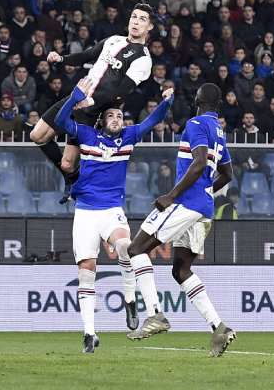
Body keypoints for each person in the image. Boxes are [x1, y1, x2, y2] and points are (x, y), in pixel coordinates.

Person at [56, 77, 173, 353]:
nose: (117, 119)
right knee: (86, 273)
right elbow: (61, 121)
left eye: (120, 116)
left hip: (111, 210)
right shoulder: (87, 135)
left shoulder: (129, 136)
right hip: (85, 212)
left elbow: (151, 121)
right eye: (111, 115)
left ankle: (131, 300)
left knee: (126, 247)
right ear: (101, 120)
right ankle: (89, 333)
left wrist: (167, 102)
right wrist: (75, 96)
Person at [126, 83, 237, 358]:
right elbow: (228, 173)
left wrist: (171, 195)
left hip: (185, 202)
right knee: (180, 270)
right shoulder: (219, 130)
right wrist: (206, 191)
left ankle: (154, 315)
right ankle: (218, 327)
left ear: (199, 98)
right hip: (202, 208)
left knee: (135, 249)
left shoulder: (196, 123)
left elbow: (199, 162)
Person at [31, 4, 154, 200]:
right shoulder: (114, 40)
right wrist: (61, 58)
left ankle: (76, 181)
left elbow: (120, 92)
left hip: (92, 110)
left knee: (67, 163)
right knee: (37, 136)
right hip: (76, 97)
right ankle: (70, 178)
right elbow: (87, 55)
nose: (136, 22)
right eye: (134, 17)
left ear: (149, 27)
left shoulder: (143, 59)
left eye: (142, 19)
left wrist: (91, 101)